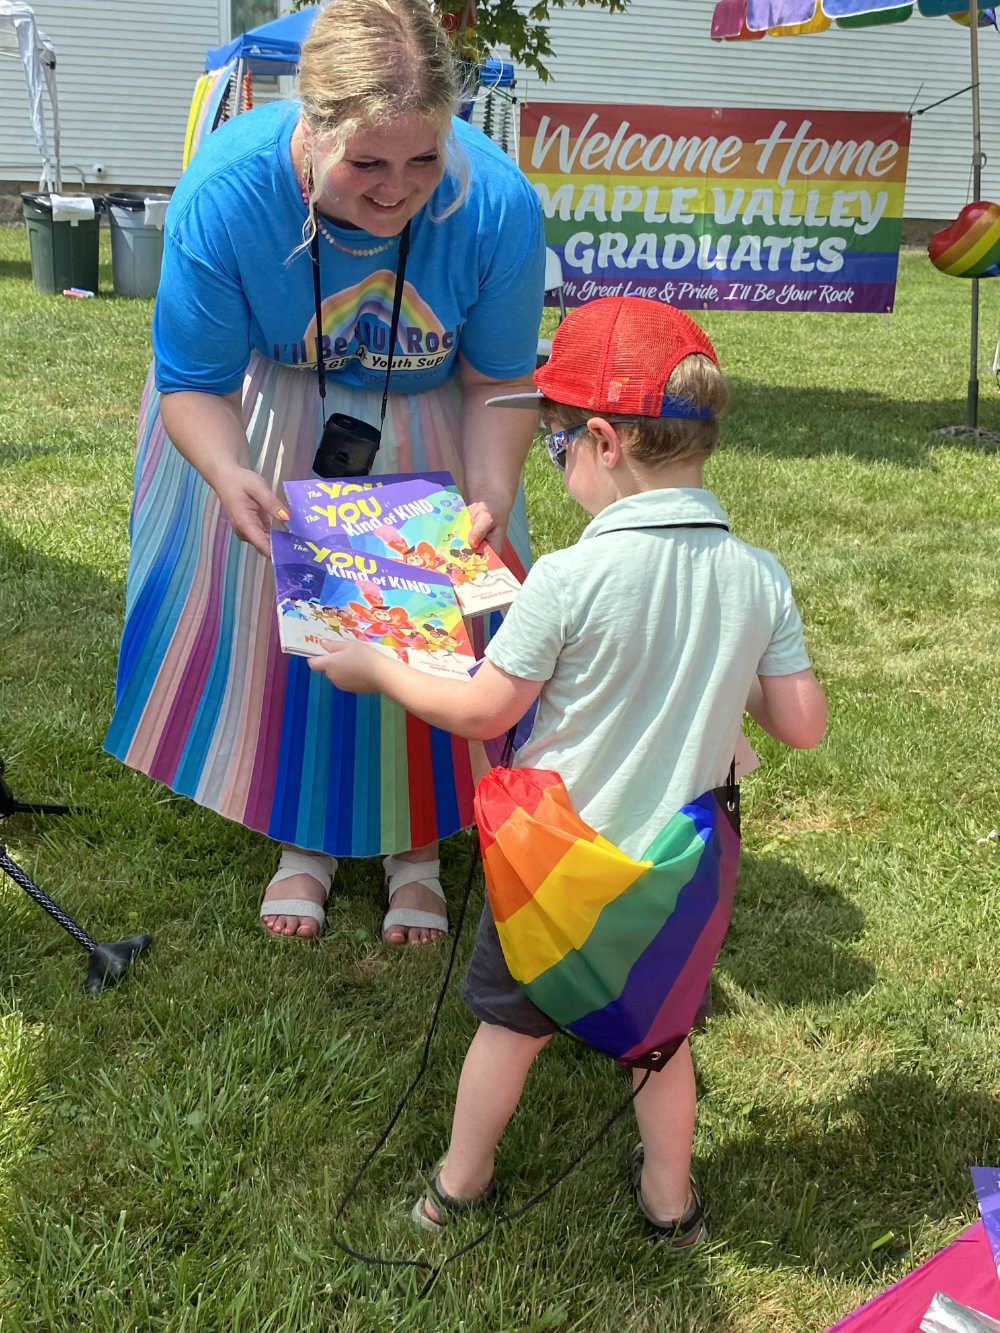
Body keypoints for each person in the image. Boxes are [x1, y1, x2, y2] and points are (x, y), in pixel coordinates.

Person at [309, 296, 828, 1244]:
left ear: (603, 441)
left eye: (557, 449)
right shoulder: (759, 574)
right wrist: (731, 658)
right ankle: (670, 1202)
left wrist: (375, 663)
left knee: (509, 1030)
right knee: (660, 1044)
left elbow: (485, 709)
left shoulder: (569, 577)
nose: (559, 469)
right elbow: (803, 722)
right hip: (674, 876)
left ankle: (455, 1190)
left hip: (552, 865)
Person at [103, 0, 545, 947]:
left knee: (430, 634)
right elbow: (191, 383)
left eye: (424, 159)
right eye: (367, 164)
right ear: (308, 125)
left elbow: (504, 379)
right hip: (262, 407)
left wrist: (493, 495)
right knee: (286, 635)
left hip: (431, 416)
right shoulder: (225, 192)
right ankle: (302, 837)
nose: (398, 193)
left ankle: (415, 848)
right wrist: (226, 472)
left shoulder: (498, 205)